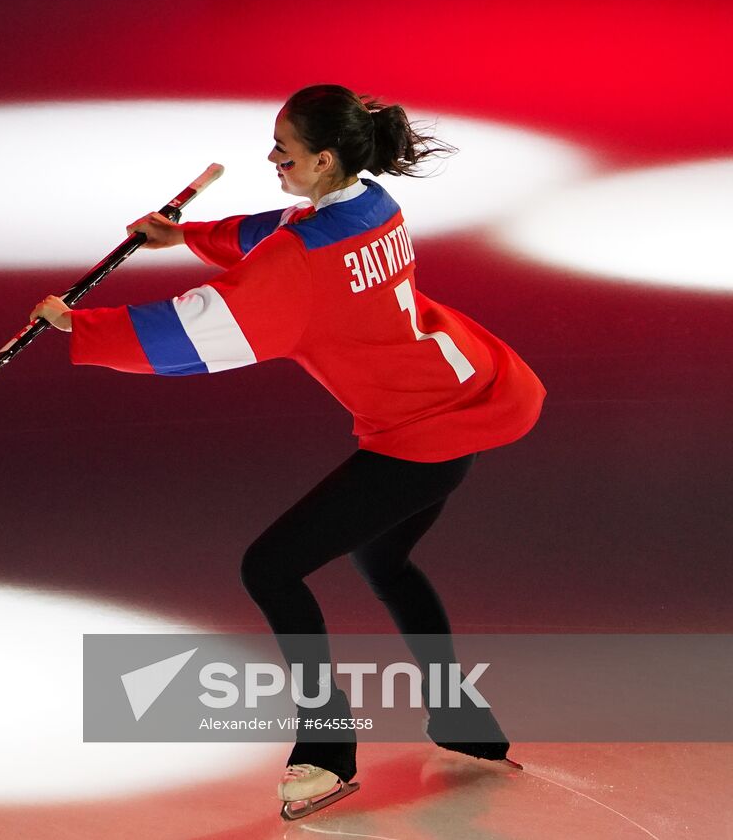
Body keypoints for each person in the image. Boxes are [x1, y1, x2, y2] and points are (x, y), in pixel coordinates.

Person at [30, 84, 544, 820]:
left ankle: (328, 745)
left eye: (284, 151)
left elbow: (199, 326)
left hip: (422, 432)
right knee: (384, 561)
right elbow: (285, 230)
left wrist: (79, 326)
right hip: (460, 391)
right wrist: (189, 237)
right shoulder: (372, 205)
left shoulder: (300, 262)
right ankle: (462, 717)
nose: (273, 159)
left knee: (270, 567)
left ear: (324, 158)